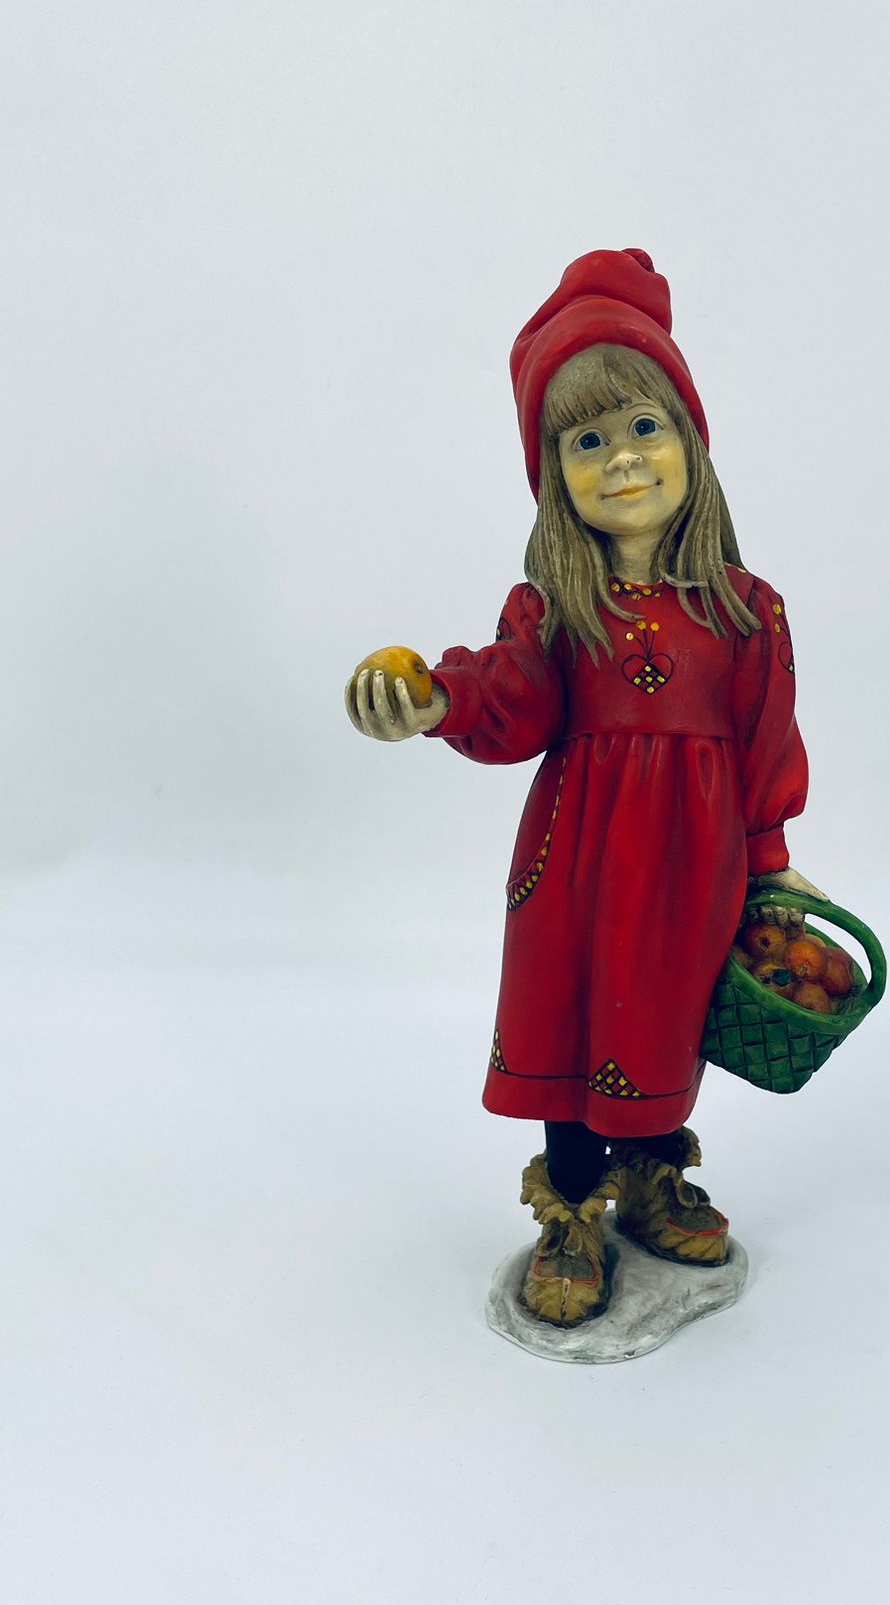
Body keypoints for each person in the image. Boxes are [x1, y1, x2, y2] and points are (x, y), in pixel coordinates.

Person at [345, 248, 821, 1327]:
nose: (622, 460)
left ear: (691, 440)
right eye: (587, 441)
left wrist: (771, 869)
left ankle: (651, 1174)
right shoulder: (554, 607)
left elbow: (767, 743)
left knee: (663, 1017)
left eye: (644, 426)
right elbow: (509, 695)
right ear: (553, 471)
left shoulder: (746, 610)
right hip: (575, 861)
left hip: (692, 867)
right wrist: (436, 700)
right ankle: (570, 1211)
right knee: (568, 1022)